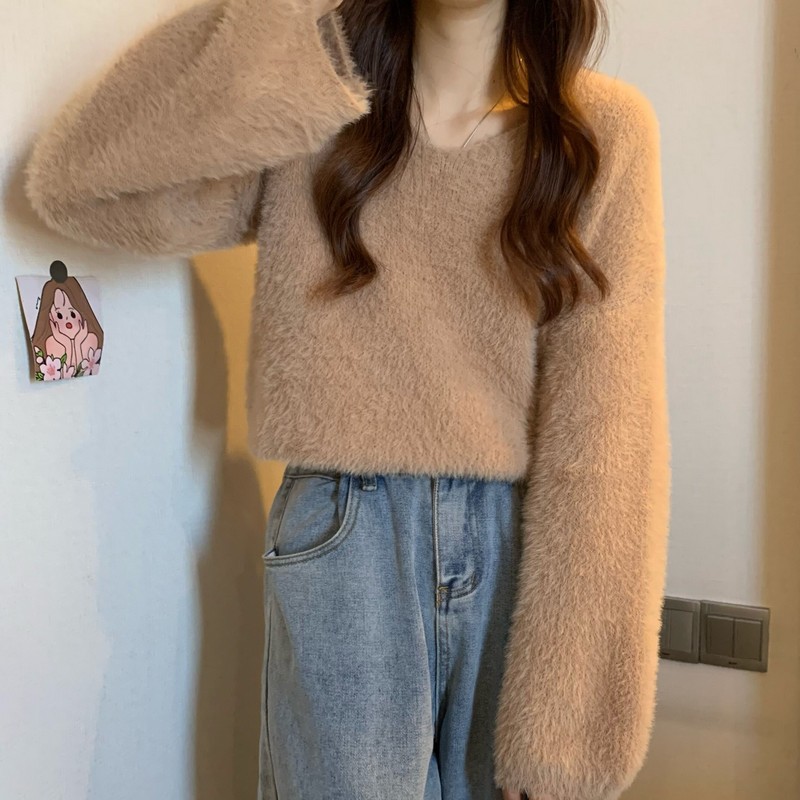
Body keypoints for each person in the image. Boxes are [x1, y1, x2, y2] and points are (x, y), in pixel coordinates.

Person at [22, 0, 671, 798]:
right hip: (344, 536)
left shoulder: (599, 132)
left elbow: (609, 434)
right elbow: (79, 183)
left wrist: (569, 729)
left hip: (524, 552)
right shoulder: (312, 106)